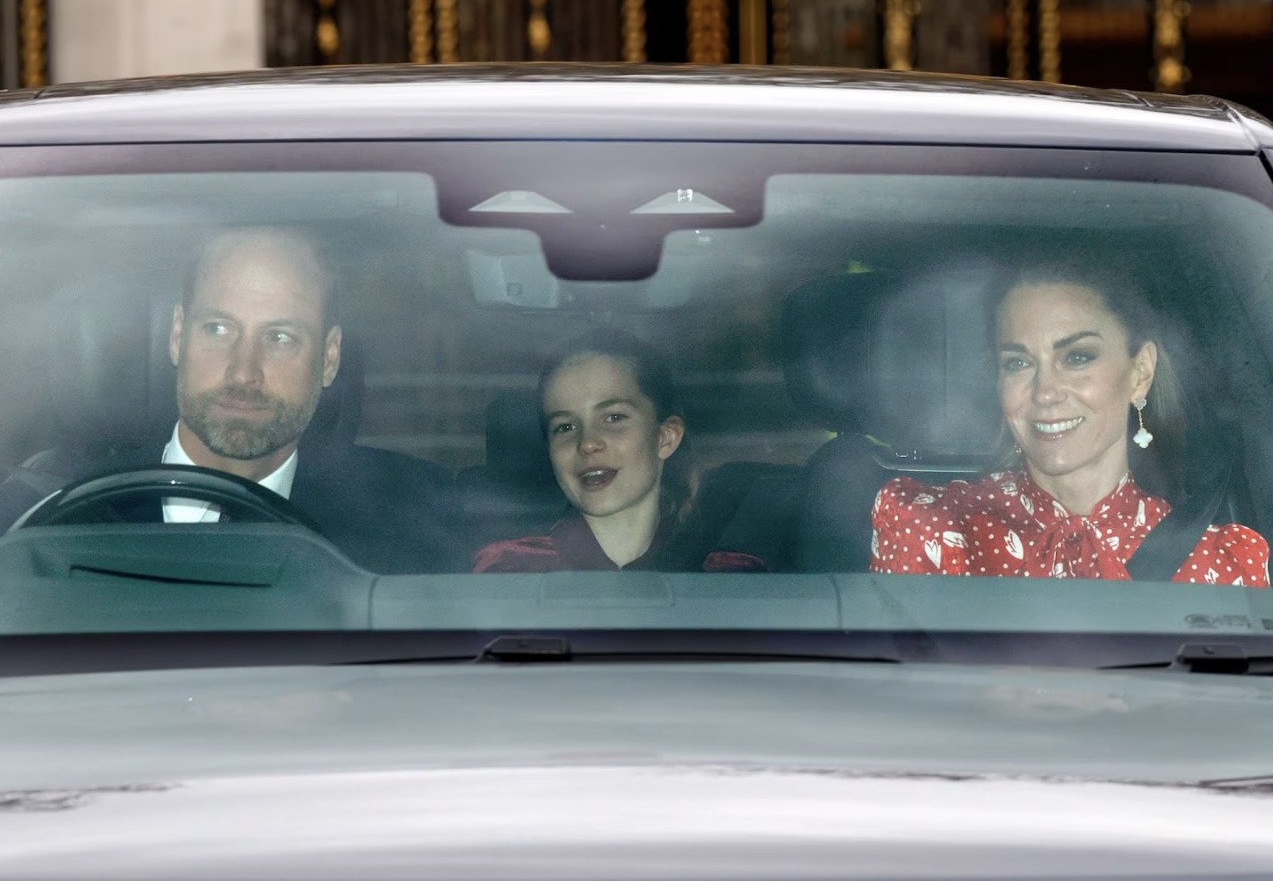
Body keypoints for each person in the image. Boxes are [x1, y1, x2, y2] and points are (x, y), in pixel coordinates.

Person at [0, 226, 458, 573]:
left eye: (280, 337)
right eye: (218, 329)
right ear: (177, 337)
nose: (243, 372)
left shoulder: (420, 521)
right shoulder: (38, 519)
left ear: (329, 359)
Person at [870, 263, 1270, 586]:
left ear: (1140, 374)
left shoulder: (1220, 562)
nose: (1045, 393)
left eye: (1077, 357)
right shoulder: (932, 528)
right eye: (1018, 363)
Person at [472, 329, 765, 572]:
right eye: (565, 427)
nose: (587, 443)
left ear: (665, 438)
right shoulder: (507, 570)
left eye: (613, 417)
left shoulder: (729, 578)